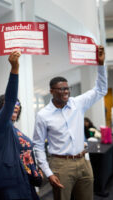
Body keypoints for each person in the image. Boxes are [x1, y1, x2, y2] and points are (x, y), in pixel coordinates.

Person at [33, 45, 107, 200]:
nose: (66, 91)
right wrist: (48, 173)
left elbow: (100, 89)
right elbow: (38, 146)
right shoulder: (43, 115)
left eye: (67, 88)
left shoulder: (77, 103)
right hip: (60, 165)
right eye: (61, 89)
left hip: (83, 161)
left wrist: (101, 65)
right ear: (51, 91)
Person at [0, 51, 41, 200]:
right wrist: (15, 69)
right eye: (12, 105)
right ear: (2, 108)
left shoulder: (14, 129)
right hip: (9, 183)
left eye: (18, 105)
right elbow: (11, 99)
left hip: (22, 180)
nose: (15, 106)